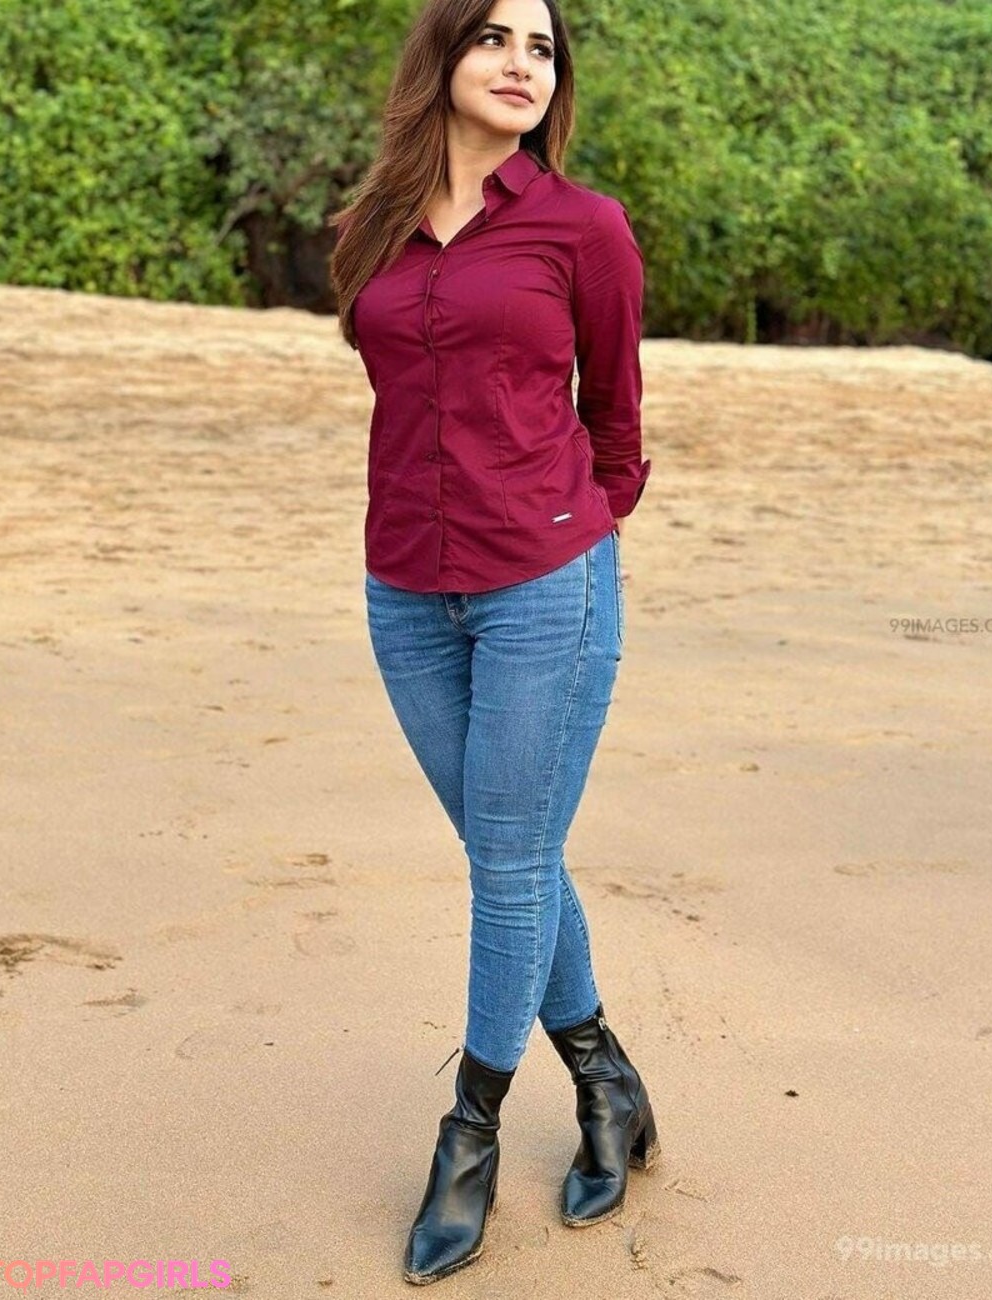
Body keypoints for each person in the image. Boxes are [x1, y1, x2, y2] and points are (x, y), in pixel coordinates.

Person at [328, 0, 658, 1284]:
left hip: (544, 586)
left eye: (543, 48)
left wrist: (578, 531)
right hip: (405, 589)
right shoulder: (371, 228)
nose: (524, 64)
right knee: (509, 849)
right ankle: (607, 1079)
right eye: (497, 39)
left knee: (508, 862)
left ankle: (467, 1135)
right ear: (445, 56)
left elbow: (616, 412)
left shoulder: (584, 226)